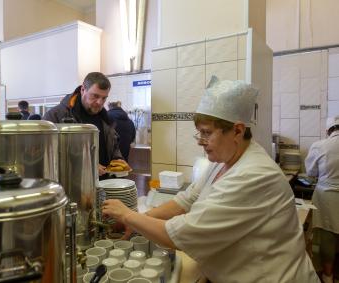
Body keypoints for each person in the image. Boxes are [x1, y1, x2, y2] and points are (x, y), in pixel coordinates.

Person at [102, 77, 320, 283]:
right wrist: (143, 220)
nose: (201, 141)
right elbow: (186, 199)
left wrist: (128, 215)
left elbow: (182, 234)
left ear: (237, 131)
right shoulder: (222, 160)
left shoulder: (254, 174)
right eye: (199, 133)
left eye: (207, 133)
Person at [43, 72, 128, 177]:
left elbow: (113, 146)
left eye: (104, 98)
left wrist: (118, 159)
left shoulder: (105, 119)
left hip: (104, 186)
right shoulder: (55, 116)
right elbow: (47, 155)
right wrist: (86, 164)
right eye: (95, 96)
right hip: (72, 186)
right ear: (83, 90)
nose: (100, 102)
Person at [305, 116, 339, 283]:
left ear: (328, 131)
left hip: (326, 197)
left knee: (327, 237)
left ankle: (328, 275)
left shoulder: (320, 146)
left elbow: (311, 172)